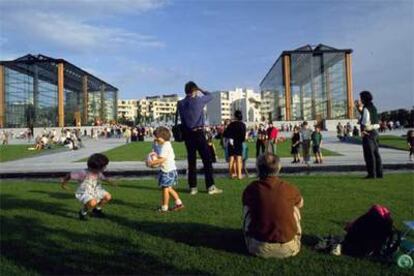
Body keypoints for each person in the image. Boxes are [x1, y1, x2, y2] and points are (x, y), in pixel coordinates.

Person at [242, 153, 303, 258]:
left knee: (247, 208)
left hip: (258, 247)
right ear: (279, 168)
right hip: (289, 248)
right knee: (295, 208)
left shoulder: (252, 188)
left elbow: (246, 205)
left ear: (258, 168)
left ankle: (254, 234)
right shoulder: (289, 188)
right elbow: (301, 203)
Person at [177, 81, 222, 195]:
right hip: (198, 133)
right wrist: (201, 89)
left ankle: (193, 187)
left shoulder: (180, 103)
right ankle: (210, 186)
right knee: (207, 160)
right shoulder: (198, 100)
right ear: (194, 91)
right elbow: (210, 96)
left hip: (187, 134)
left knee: (191, 162)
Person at [61, 153, 114, 220]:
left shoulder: (98, 172)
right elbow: (69, 175)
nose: (105, 168)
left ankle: (97, 210)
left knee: (108, 197)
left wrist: (110, 182)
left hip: (96, 190)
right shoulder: (83, 173)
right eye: (104, 166)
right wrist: (64, 184)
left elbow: (103, 178)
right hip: (85, 191)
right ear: (96, 167)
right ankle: (83, 212)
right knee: (92, 203)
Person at [146, 127, 184, 212]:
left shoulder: (166, 146)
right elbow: (156, 152)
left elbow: (162, 159)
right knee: (169, 188)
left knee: (165, 189)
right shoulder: (164, 144)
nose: (155, 139)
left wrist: (151, 163)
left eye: (157, 137)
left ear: (162, 137)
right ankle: (179, 204)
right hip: (169, 170)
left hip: (168, 171)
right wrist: (155, 145)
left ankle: (164, 207)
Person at [357, 91, 383, 179]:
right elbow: (370, 117)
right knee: (376, 154)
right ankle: (379, 173)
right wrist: (359, 109)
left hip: (368, 133)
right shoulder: (373, 107)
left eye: (360, 98)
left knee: (369, 154)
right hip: (375, 132)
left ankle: (371, 174)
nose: (359, 100)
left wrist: (362, 130)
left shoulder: (366, 108)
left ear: (364, 98)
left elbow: (365, 121)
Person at [224, 110, 246, 179]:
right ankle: (239, 175)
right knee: (239, 159)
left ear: (235, 116)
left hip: (231, 143)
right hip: (239, 142)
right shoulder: (243, 125)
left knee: (231, 159)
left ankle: (231, 174)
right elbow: (243, 136)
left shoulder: (231, 124)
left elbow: (225, 134)